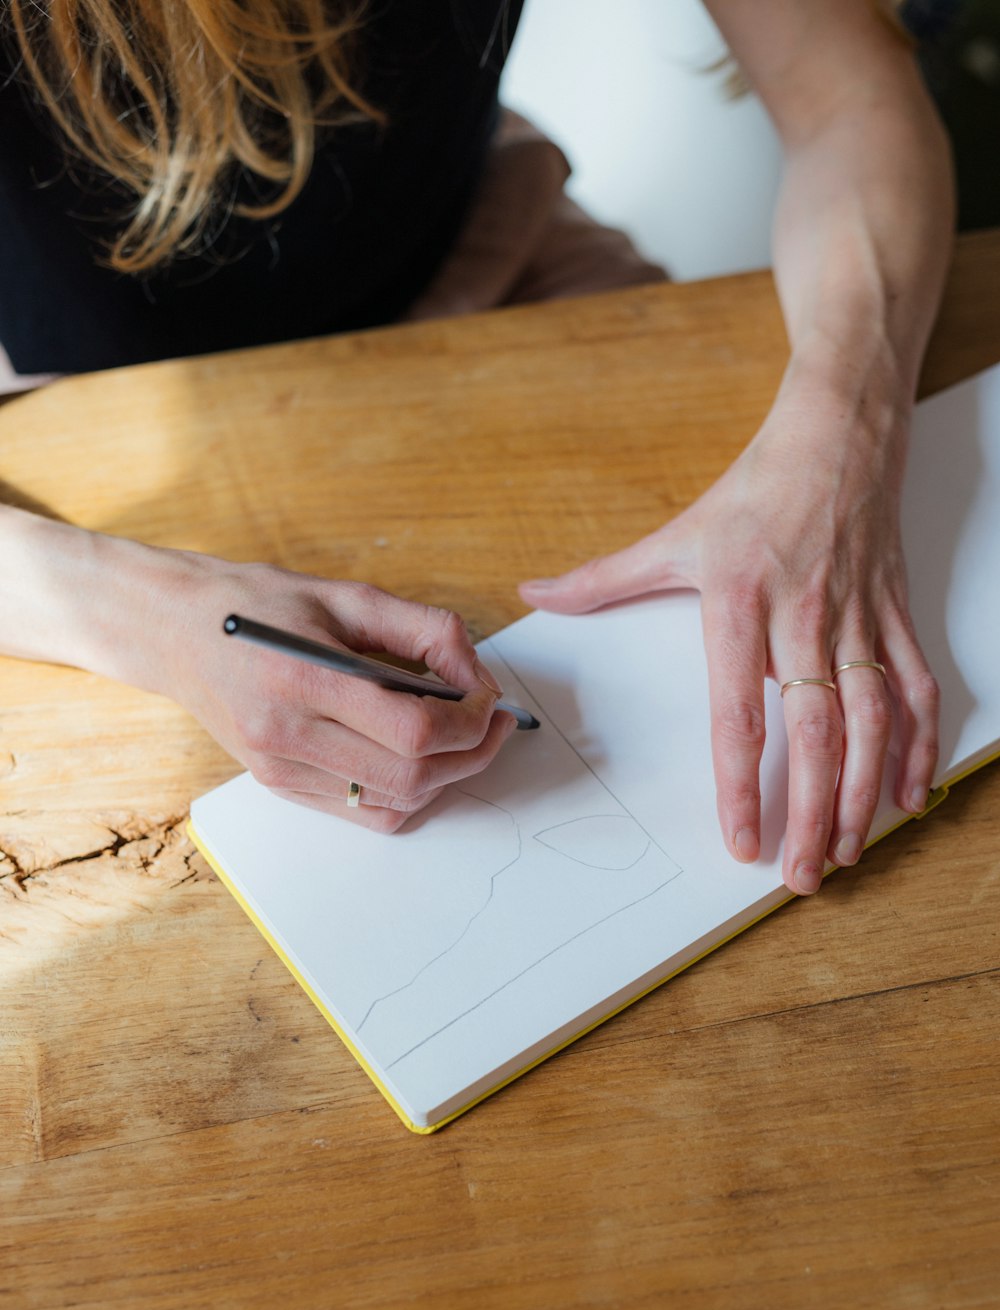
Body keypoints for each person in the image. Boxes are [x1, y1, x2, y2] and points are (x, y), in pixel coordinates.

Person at [0, 0, 954, 898]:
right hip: (82, 403)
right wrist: (161, 619)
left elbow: (850, 100)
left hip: (488, 251)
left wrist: (842, 428)